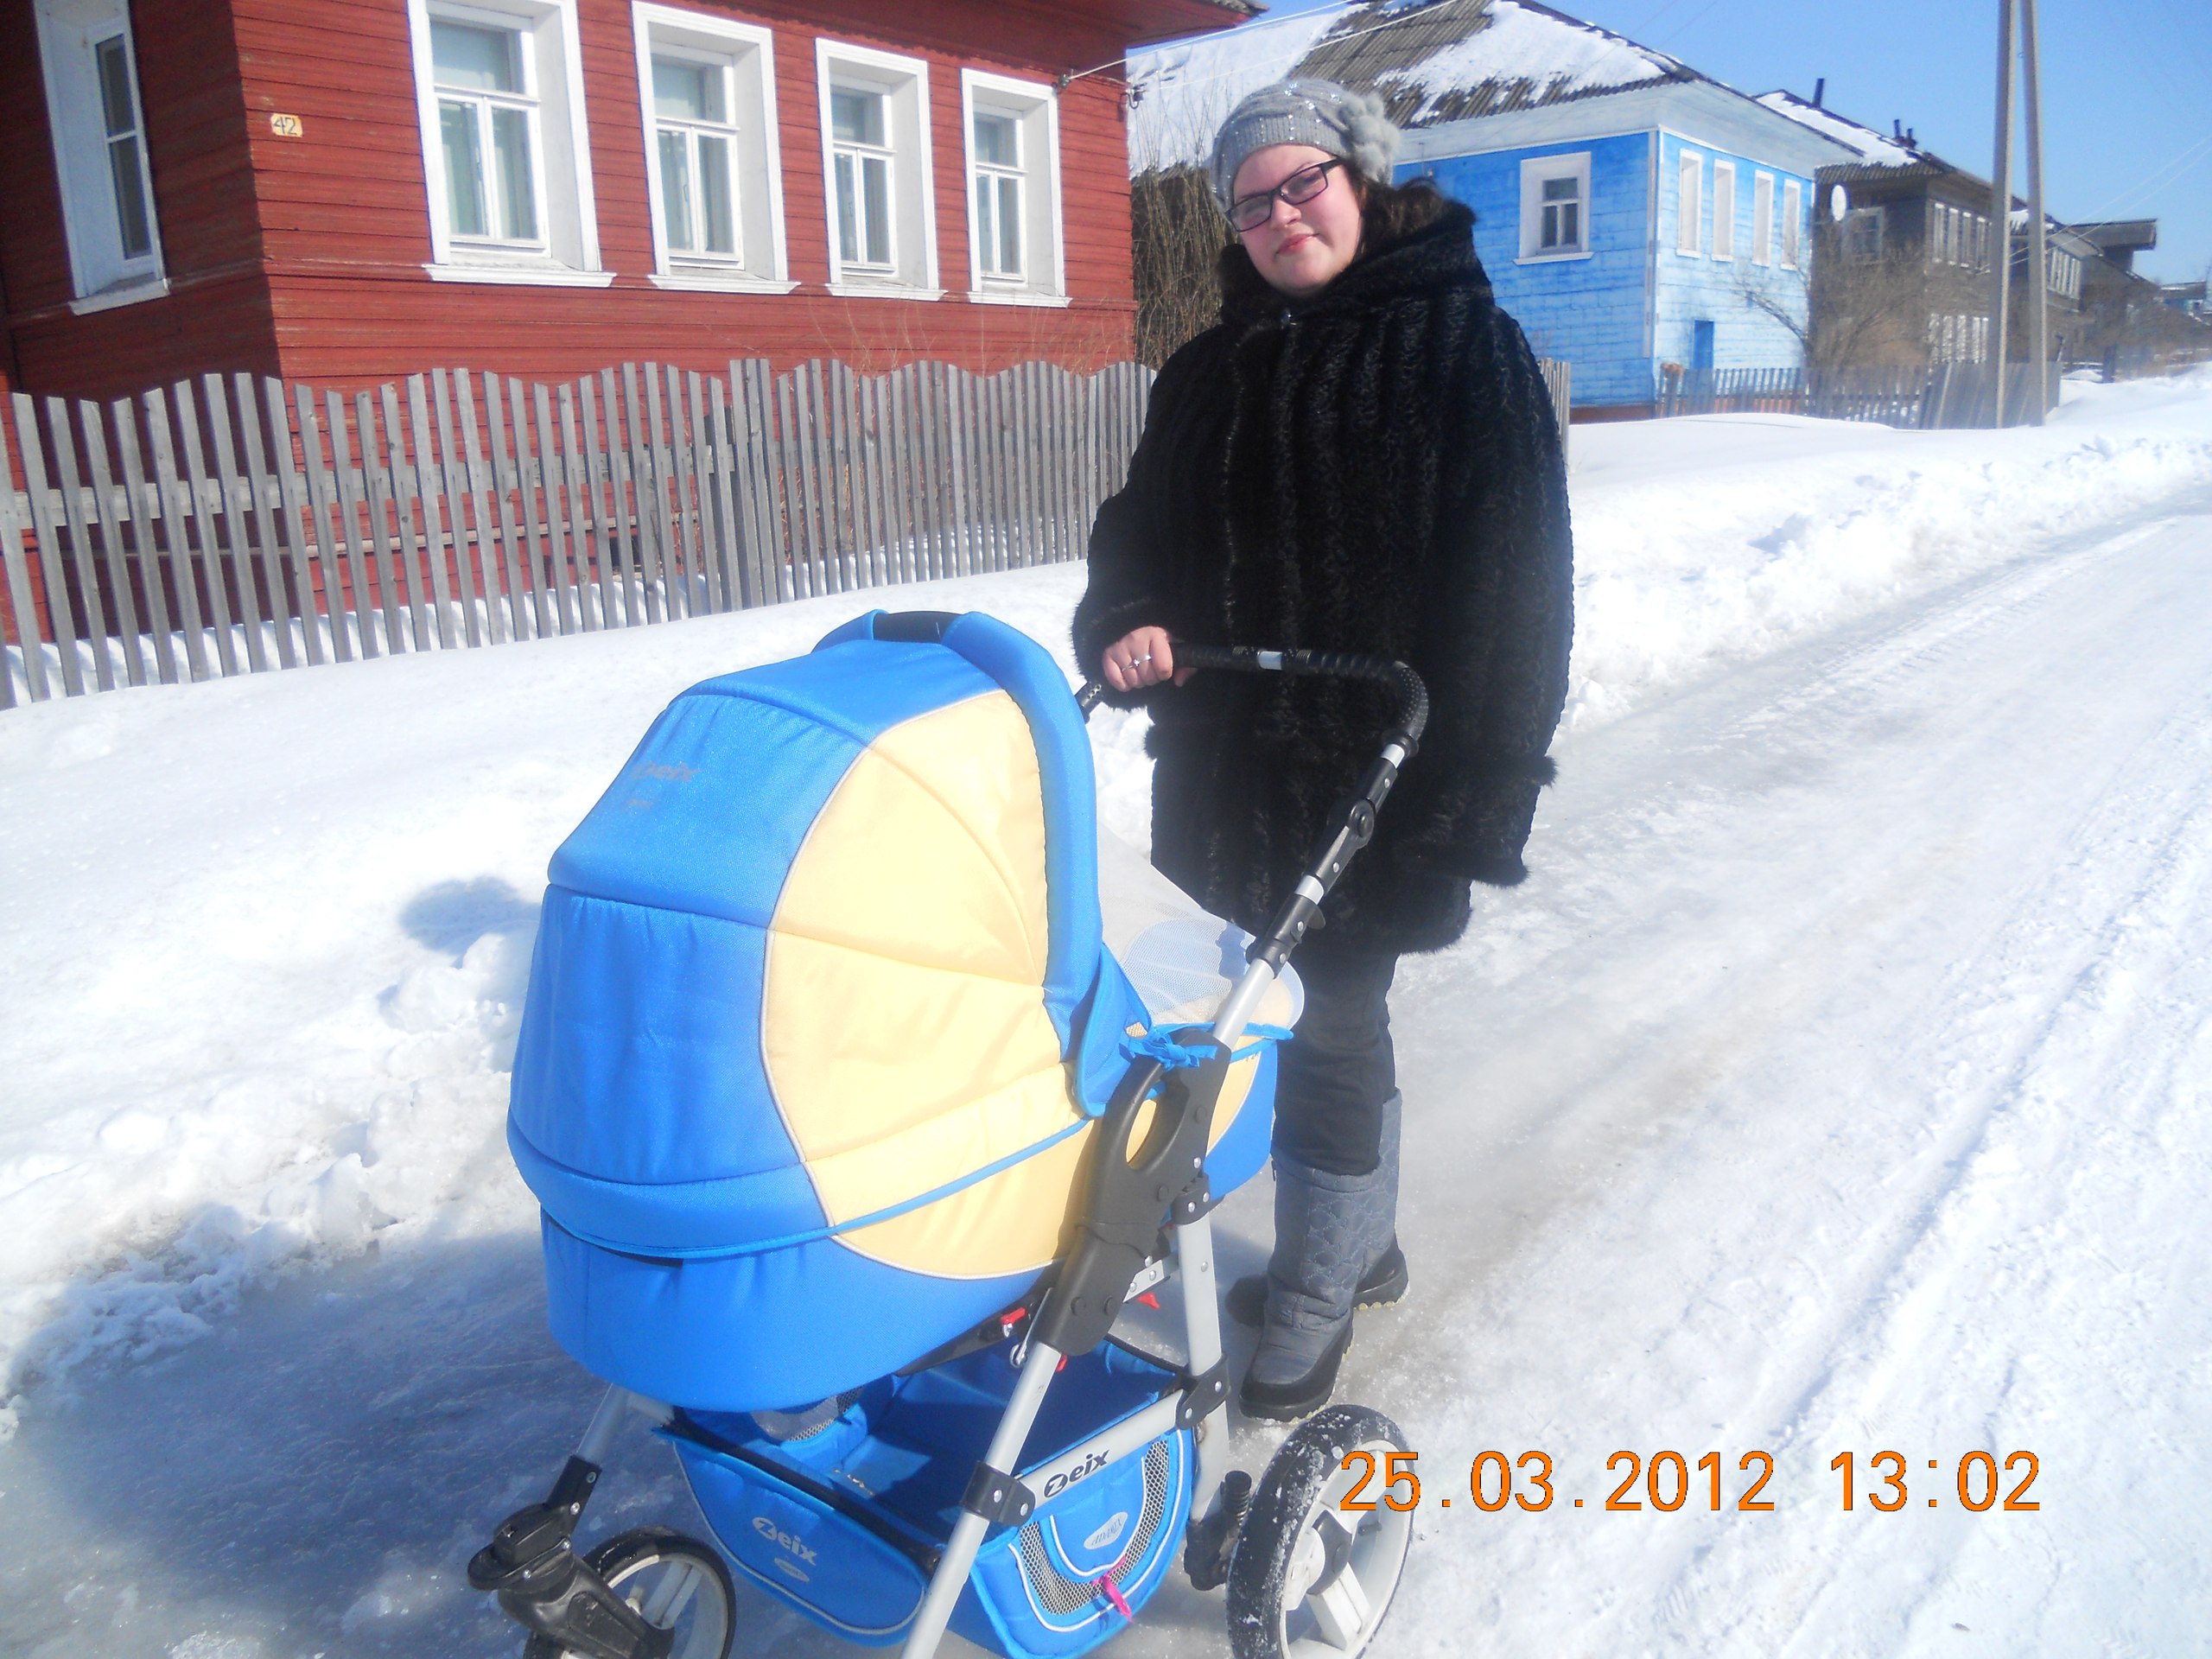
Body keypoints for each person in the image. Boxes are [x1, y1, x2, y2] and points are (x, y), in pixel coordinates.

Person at [1073, 80, 1574, 1421]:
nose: (1282, 214)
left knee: (1333, 1026)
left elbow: (1519, 590)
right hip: (1221, 773)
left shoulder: (1463, 347)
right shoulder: (1206, 369)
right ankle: (1368, 1244)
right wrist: (1128, 616)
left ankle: (1320, 1286)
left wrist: (1479, 792)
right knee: (1243, 1021)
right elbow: (1135, 527)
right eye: (1253, 201)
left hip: (1379, 777)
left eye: (1304, 183)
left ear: (1360, 180)